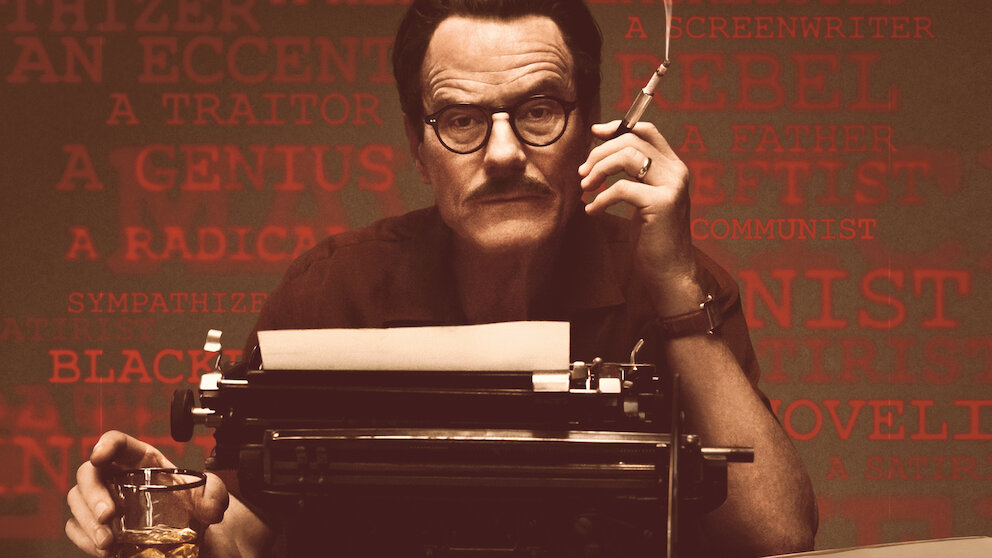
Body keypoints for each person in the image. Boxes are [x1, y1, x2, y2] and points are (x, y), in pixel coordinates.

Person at [65, 0, 817, 556]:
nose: (503, 154)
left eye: (539, 110)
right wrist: (172, 518)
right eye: (461, 120)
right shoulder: (332, 289)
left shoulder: (675, 280)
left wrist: (676, 289)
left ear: (595, 124)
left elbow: (778, 536)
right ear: (417, 149)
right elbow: (241, 536)